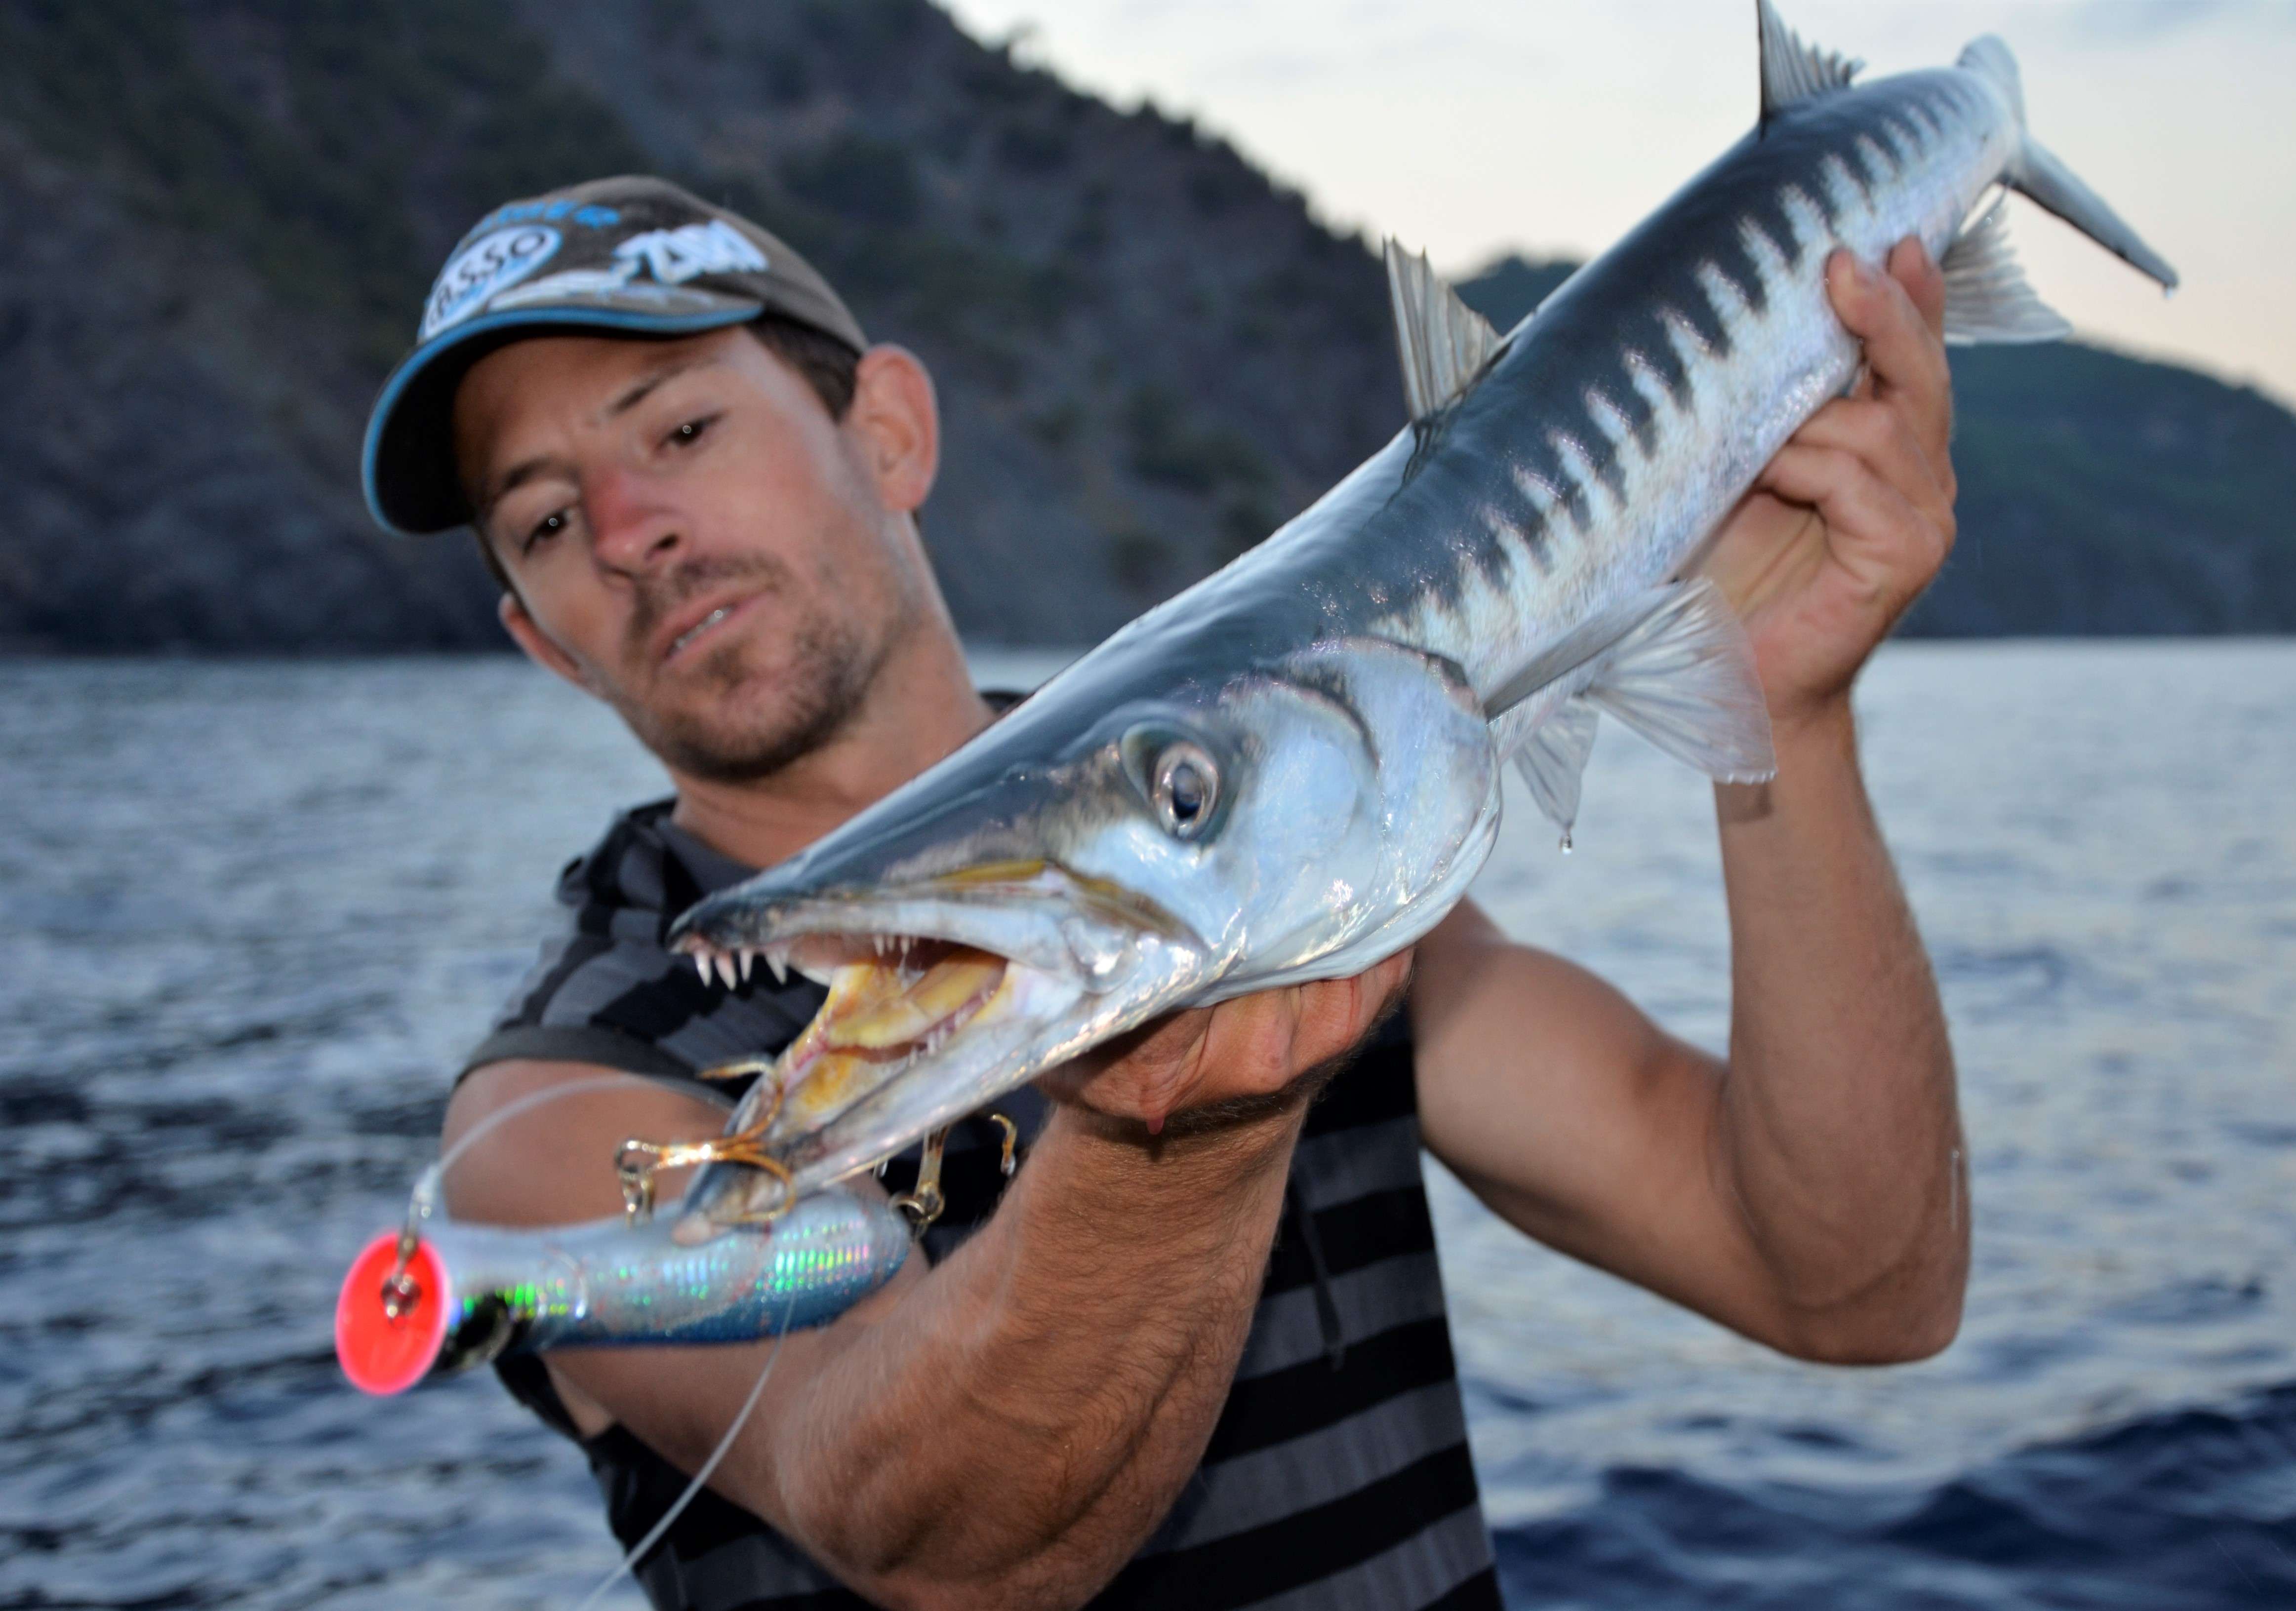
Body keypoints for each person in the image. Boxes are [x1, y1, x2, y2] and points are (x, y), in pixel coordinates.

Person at [362, 176, 1969, 1611]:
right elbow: (943, 1546)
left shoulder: (1291, 840)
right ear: (542, 639)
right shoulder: (558, 1108)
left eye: (680, 432)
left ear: (890, 431)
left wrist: (1785, 716)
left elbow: (1851, 1283)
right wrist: (1183, 1131)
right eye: (547, 519)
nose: (630, 532)